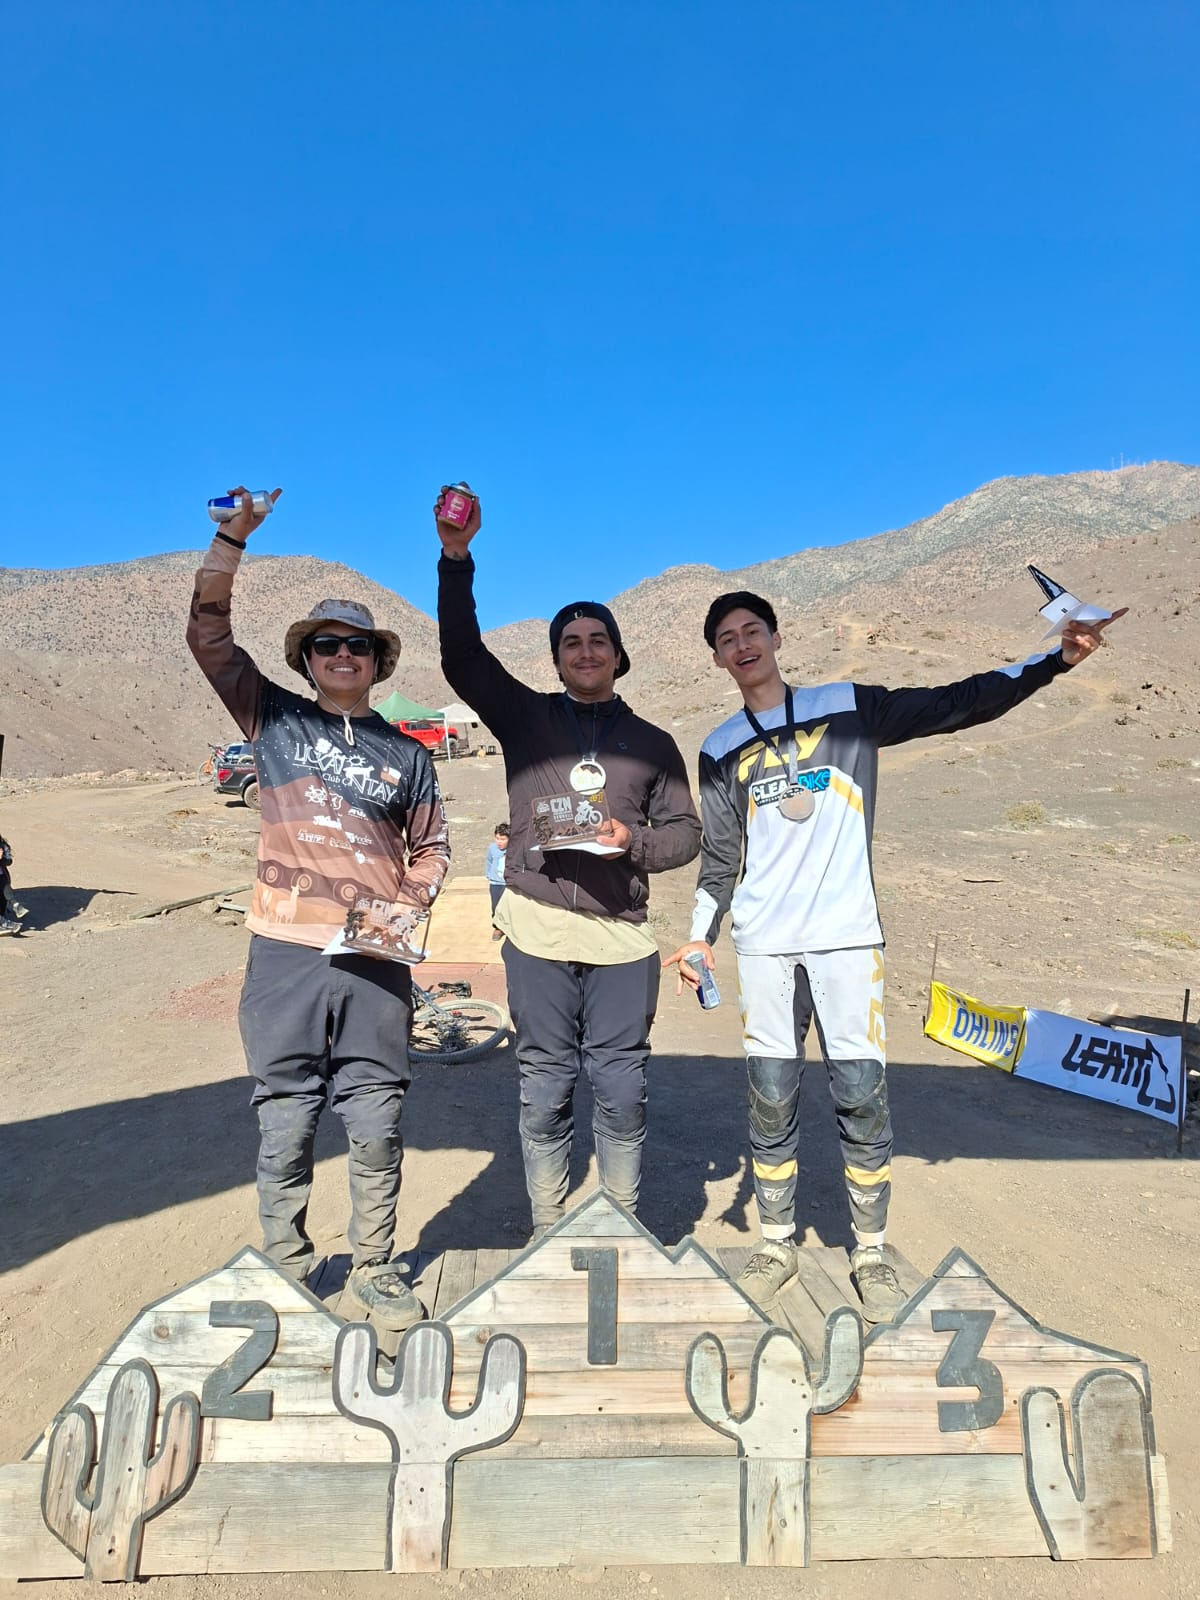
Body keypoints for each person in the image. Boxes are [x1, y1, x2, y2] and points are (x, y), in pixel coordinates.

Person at [666, 588, 1126, 1322]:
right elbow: (720, 859)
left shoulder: (847, 705)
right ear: (717, 656)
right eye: (727, 637)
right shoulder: (721, 747)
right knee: (770, 1094)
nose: (742, 644)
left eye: (753, 629)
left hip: (848, 936)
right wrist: (699, 934)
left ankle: (873, 1252)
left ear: (777, 637)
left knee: (860, 1092)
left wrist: (1055, 662)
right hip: (765, 945)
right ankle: (776, 1243)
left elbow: (957, 702)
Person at [188, 486, 450, 1329]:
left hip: (374, 963)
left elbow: (434, 847)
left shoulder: (406, 758)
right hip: (285, 953)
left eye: (359, 646)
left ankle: (375, 1267)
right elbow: (208, 637)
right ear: (308, 659)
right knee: (286, 1117)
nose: (344, 655)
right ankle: (290, 1267)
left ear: (379, 661)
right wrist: (233, 539)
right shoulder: (272, 718)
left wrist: (406, 909)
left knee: (376, 1117)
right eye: (328, 644)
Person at [436, 488, 701, 1237]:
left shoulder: (651, 742)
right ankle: (550, 1227)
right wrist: (456, 559)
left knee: (621, 1087)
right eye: (571, 642)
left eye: (598, 640)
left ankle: (617, 1223)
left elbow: (685, 832)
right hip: (539, 927)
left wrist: (634, 843)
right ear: (556, 660)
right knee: (545, 1084)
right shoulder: (525, 717)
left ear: (619, 654)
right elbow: (462, 655)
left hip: (620, 935)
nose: (586, 651)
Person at [485, 822, 510, 940]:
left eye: (503, 839)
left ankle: (511, 928)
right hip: (495, 883)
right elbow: (489, 861)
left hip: (509, 883)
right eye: (497, 838)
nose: (499, 842)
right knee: (496, 906)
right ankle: (498, 928)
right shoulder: (492, 848)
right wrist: (489, 875)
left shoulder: (513, 849)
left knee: (510, 906)